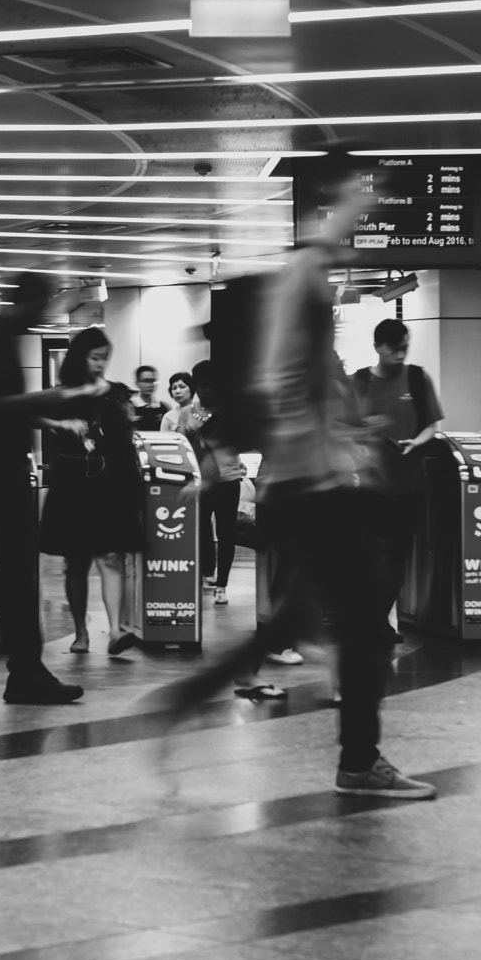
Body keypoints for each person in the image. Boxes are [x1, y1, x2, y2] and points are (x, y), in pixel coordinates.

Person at [141, 150, 436, 799]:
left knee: (300, 623)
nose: (356, 236)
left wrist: (343, 433)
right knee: (361, 630)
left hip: (304, 487)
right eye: (351, 210)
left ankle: (180, 708)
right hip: (309, 489)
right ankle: (359, 762)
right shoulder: (304, 274)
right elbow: (277, 381)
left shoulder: (309, 286)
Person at [0, 272, 112, 703]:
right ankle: (20, 671)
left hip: (6, 473)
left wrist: (45, 416)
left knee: (15, 579)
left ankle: (25, 672)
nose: (43, 314)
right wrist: (46, 401)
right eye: (41, 305)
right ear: (27, 302)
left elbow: (1, 410)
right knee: (14, 578)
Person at [41, 327, 147, 655]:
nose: (101, 364)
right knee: (77, 562)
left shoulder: (115, 393)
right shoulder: (64, 393)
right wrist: (59, 425)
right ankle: (80, 633)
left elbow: (125, 439)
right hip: (72, 482)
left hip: (109, 483)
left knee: (111, 555)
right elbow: (27, 413)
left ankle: (116, 631)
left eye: (105, 358)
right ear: (80, 358)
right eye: (94, 357)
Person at [352, 318, 443, 642]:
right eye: (395, 348)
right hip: (371, 487)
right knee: (377, 554)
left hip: (410, 485)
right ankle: (373, 621)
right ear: (378, 347)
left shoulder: (418, 379)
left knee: (398, 558)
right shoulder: (359, 383)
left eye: (405, 347)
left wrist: (416, 442)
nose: (401, 354)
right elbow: (340, 428)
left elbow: (432, 425)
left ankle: (376, 620)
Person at [183, 360, 245, 604]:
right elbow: (180, 444)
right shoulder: (188, 412)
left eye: (211, 386)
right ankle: (203, 575)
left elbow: (235, 442)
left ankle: (222, 584)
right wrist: (188, 433)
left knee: (226, 532)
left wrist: (201, 434)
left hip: (228, 479)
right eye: (201, 386)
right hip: (199, 481)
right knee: (199, 531)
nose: (206, 391)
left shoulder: (230, 412)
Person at [133, 364, 169, 431]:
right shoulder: (129, 407)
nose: (150, 385)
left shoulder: (163, 408)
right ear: (137, 383)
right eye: (146, 381)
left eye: (153, 381)